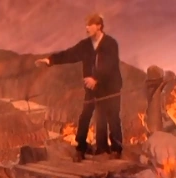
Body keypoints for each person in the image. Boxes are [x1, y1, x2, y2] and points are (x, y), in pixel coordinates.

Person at [35, 13, 123, 161]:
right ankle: (81, 148)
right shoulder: (85, 45)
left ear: (99, 26)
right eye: (86, 25)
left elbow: (110, 64)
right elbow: (69, 54)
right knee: (86, 115)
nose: (86, 28)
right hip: (92, 88)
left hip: (110, 88)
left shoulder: (110, 44)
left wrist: (96, 79)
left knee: (112, 116)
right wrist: (50, 60)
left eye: (90, 25)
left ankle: (116, 149)